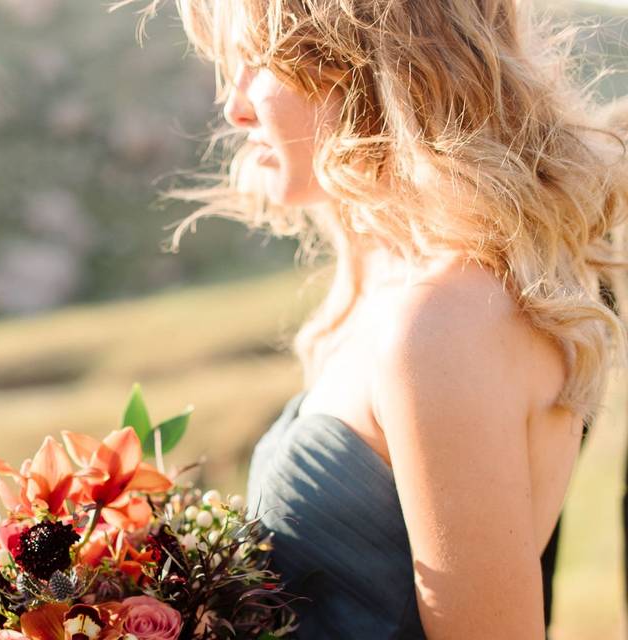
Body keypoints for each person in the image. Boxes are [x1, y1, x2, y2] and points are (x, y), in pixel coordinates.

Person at [111, 0, 628, 638]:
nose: (234, 107)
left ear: (362, 67)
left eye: (257, 63)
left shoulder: (445, 324)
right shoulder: (394, 283)